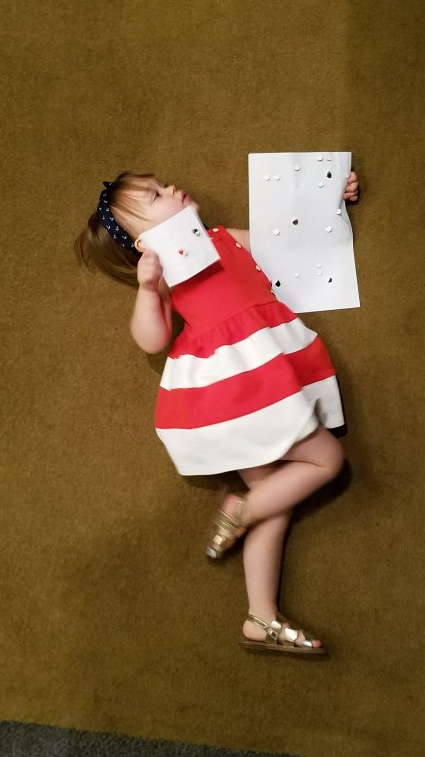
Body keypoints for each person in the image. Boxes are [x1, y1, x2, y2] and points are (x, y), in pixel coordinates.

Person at [74, 169, 360, 656]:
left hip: (259, 375)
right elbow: (152, 339)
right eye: (155, 195)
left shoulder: (223, 237)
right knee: (327, 460)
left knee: (275, 497)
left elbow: (286, 234)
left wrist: (331, 192)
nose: (171, 188)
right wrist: (147, 288)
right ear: (142, 242)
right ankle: (242, 510)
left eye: (162, 183)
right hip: (236, 380)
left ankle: (260, 616)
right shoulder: (165, 268)